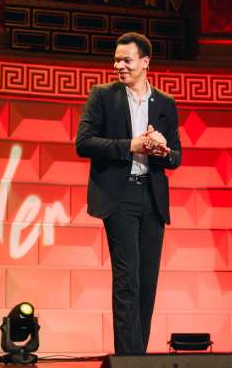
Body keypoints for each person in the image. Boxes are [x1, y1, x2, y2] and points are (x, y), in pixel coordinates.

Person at [76, 32, 182, 355]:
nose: (118, 66)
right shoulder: (102, 96)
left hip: (152, 198)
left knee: (147, 283)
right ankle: (129, 360)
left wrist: (163, 151)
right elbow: (84, 143)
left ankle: (138, 357)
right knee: (128, 281)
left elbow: (177, 156)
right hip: (119, 197)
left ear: (145, 62)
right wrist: (130, 146)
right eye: (116, 60)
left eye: (126, 60)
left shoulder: (165, 103)